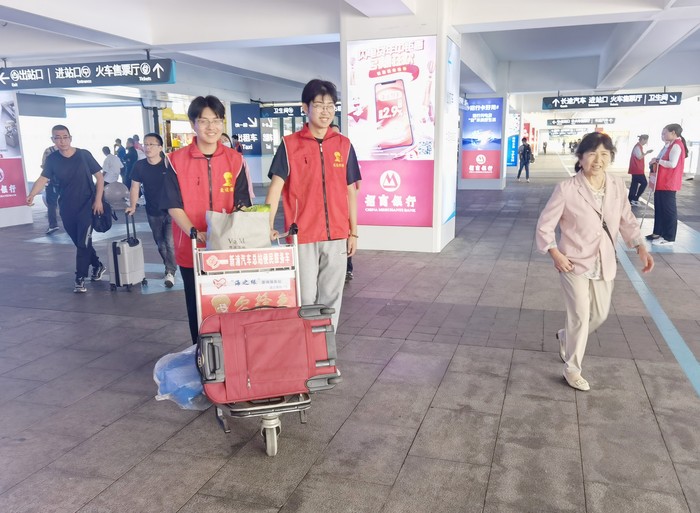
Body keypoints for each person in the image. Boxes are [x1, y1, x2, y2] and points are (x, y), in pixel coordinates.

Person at [536, 132, 654, 391]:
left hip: (604, 260)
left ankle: (565, 337)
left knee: (599, 315)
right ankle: (572, 368)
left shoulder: (616, 186)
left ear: (610, 157)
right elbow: (545, 225)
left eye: (604, 155)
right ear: (580, 158)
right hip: (572, 261)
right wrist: (554, 252)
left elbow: (626, 219)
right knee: (580, 315)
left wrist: (640, 247)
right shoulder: (567, 189)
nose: (598, 160)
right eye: (592, 154)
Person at [265, 79, 361, 330]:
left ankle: (325, 352)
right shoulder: (289, 145)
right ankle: (306, 350)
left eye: (330, 105)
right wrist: (266, 225)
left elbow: (351, 191)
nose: (325, 111)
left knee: (331, 298)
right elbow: (275, 188)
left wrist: (354, 232)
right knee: (305, 298)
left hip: (337, 235)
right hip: (303, 235)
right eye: (318, 105)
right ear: (305, 108)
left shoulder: (344, 145)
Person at [161, 95, 252, 343]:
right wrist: (194, 232)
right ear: (193, 124)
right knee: (198, 306)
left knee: (231, 304)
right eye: (204, 121)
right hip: (191, 250)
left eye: (216, 120)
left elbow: (242, 204)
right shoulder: (175, 161)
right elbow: (173, 204)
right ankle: (202, 358)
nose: (211, 127)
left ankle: (231, 355)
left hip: (227, 249)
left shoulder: (235, 160)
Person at [26, 125, 107, 293]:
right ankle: (97, 265)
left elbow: (99, 177)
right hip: (67, 208)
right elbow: (43, 179)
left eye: (65, 137)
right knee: (80, 242)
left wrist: (98, 200)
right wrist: (32, 194)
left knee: (83, 242)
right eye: (58, 137)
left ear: (70, 137)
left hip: (87, 206)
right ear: (53, 140)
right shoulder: (53, 159)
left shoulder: (84, 155)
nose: (62, 141)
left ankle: (79, 278)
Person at [125, 133, 177, 288]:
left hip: (172, 210)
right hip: (153, 210)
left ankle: (170, 271)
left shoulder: (169, 164)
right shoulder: (139, 166)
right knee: (160, 244)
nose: (147, 147)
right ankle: (168, 265)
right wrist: (133, 205)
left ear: (160, 147)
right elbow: (134, 187)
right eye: (145, 144)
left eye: (151, 144)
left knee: (170, 242)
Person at [647, 123, 689, 246]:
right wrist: (655, 160)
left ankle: (669, 237)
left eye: (665, 133)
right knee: (659, 208)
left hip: (668, 183)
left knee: (668, 210)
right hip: (661, 182)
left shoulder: (676, 146)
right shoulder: (668, 146)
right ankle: (658, 232)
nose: (663, 135)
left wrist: (658, 161)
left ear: (673, 133)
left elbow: (672, 164)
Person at [627, 134, 653, 206]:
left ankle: (631, 199)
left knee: (634, 184)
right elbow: (639, 157)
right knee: (644, 183)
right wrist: (647, 153)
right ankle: (635, 198)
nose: (646, 142)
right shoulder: (637, 147)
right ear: (643, 139)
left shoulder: (639, 147)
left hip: (636, 169)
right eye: (646, 140)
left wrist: (645, 153)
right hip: (637, 169)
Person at [41, 143, 60, 234]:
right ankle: (74, 222)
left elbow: (44, 166)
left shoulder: (48, 151)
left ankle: (53, 225)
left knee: (51, 204)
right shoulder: (70, 151)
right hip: (67, 182)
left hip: (52, 182)